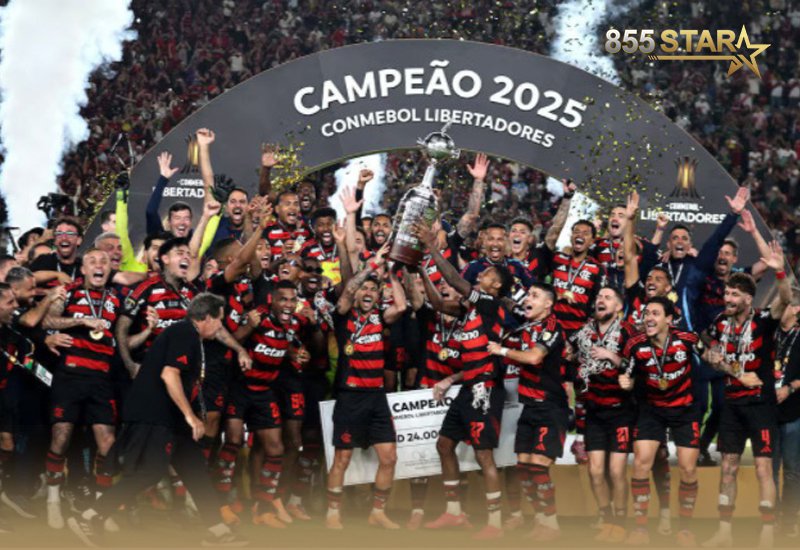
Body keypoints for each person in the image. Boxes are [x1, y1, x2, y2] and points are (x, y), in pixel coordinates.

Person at [66, 293, 248, 547]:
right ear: (206, 318)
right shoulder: (185, 332)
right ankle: (90, 516)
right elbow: (169, 374)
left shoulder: (190, 336)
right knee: (149, 471)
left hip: (172, 419)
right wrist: (191, 417)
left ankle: (217, 531)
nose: (220, 327)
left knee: (195, 470)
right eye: (219, 320)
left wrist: (188, 416)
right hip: (154, 415)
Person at [417, 221, 512, 540]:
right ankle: (454, 513)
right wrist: (421, 271)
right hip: (468, 387)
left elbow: (455, 281)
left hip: (485, 389)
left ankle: (495, 524)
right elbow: (438, 304)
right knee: (444, 444)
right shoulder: (472, 309)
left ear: (496, 285)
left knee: (484, 455)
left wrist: (432, 247)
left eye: (487, 274)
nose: (481, 274)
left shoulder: (490, 304)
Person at [701, 244, 791, 549]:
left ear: (748, 299)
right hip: (731, 406)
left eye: (734, 295)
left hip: (761, 406)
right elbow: (708, 351)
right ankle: (724, 532)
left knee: (764, 469)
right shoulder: (719, 323)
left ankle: (766, 535)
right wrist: (727, 366)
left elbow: (785, 299)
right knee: (728, 467)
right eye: (726, 293)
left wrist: (780, 271)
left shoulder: (763, 320)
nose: (728, 299)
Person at [325, 243, 407, 531]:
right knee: (342, 458)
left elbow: (402, 306)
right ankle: (332, 514)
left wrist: (392, 274)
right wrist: (372, 264)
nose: (368, 293)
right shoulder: (343, 316)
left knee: (389, 457)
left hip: (376, 397)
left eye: (373, 289)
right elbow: (347, 291)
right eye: (364, 289)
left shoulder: (380, 317)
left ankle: (377, 513)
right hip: (349, 397)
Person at [41, 249, 121, 529]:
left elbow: (121, 333)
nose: (99, 265)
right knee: (61, 437)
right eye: (92, 261)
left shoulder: (116, 297)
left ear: (110, 269)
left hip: (102, 378)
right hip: (70, 375)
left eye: (104, 261)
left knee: (107, 443)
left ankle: (100, 509)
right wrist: (80, 320)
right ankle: (53, 500)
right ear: (83, 269)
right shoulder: (68, 292)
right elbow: (48, 321)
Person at [619, 297, 704, 547]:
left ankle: (685, 529)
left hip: (684, 409)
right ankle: (640, 528)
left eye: (655, 313)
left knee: (688, 469)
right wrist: (627, 382)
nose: (649, 318)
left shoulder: (687, 339)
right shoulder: (635, 344)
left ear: (669, 319)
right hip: (652, 409)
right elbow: (628, 373)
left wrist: (725, 363)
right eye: (646, 313)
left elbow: (710, 356)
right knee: (641, 464)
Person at [488, 283, 567, 542]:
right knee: (522, 467)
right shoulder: (525, 327)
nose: (528, 299)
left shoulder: (553, 327)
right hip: (529, 406)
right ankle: (541, 519)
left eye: (535, 296)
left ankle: (552, 525)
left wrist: (501, 350)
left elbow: (534, 357)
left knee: (538, 467)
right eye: (528, 295)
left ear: (548, 304)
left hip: (550, 406)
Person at [570, 287, 635, 543]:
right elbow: (570, 355)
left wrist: (611, 356)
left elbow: (637, 366)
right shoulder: (584, 332)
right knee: (596, 471)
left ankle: (621, 522)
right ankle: (606, 518)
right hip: (594, 411)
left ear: (618, 307)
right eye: (598, 297)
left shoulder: (628, 331)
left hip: (621, 411)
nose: (600, 300)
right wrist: (570, 357)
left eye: (607, 297)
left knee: (617, 472)